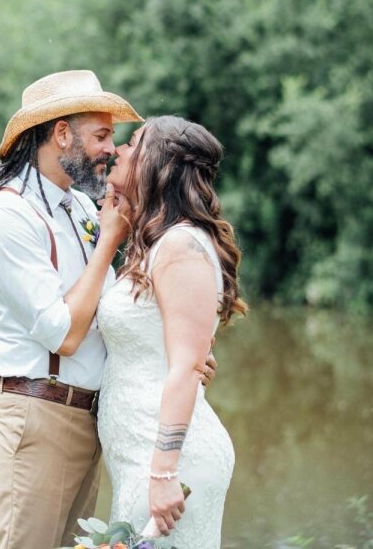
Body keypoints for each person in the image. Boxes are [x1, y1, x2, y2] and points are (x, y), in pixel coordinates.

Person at [0, 72, 216, 549]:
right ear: (62, 134)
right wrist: (110, 240)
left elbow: (113, 313)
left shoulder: (81, 207)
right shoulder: (8, 215)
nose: (111, 149)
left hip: (91, 419)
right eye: (101, 135)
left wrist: (180, 355)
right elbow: (62, 333)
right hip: (40, 413)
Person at [96, 115, 247, 548]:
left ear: (157, 163)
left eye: (133, 143)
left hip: (168, 467)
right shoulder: (159, 244)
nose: (120, 150)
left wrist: (163, 474)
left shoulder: (182, 246)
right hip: (142, 460)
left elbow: (184, 368)